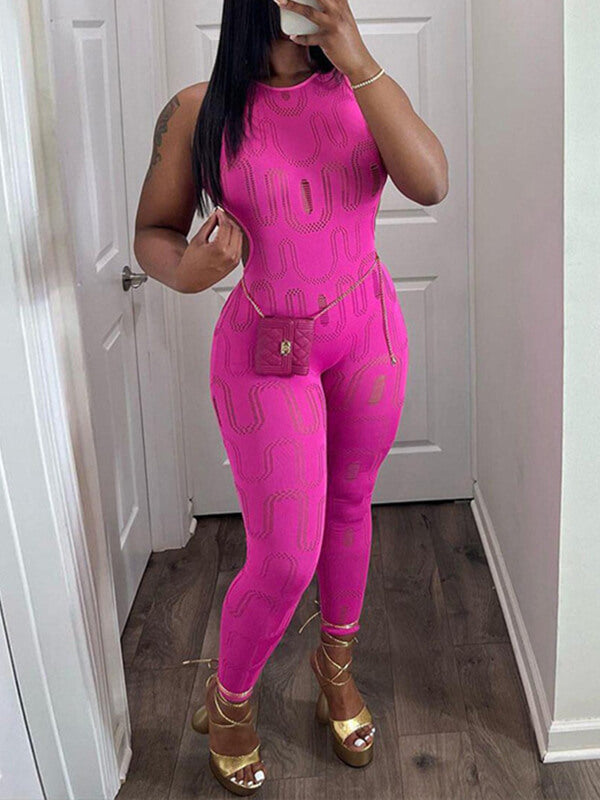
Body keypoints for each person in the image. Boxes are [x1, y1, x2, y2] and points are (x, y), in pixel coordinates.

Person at [134, 0, 448, 794]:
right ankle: (230, 699)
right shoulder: (200, 110)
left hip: (366, 333)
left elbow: (431, 183)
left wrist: (354, 52)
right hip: (266, 352)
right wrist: (190, 271)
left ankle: (335, 668)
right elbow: (153, 232)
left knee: (350, 505)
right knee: (283, 556)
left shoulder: (361, 84)